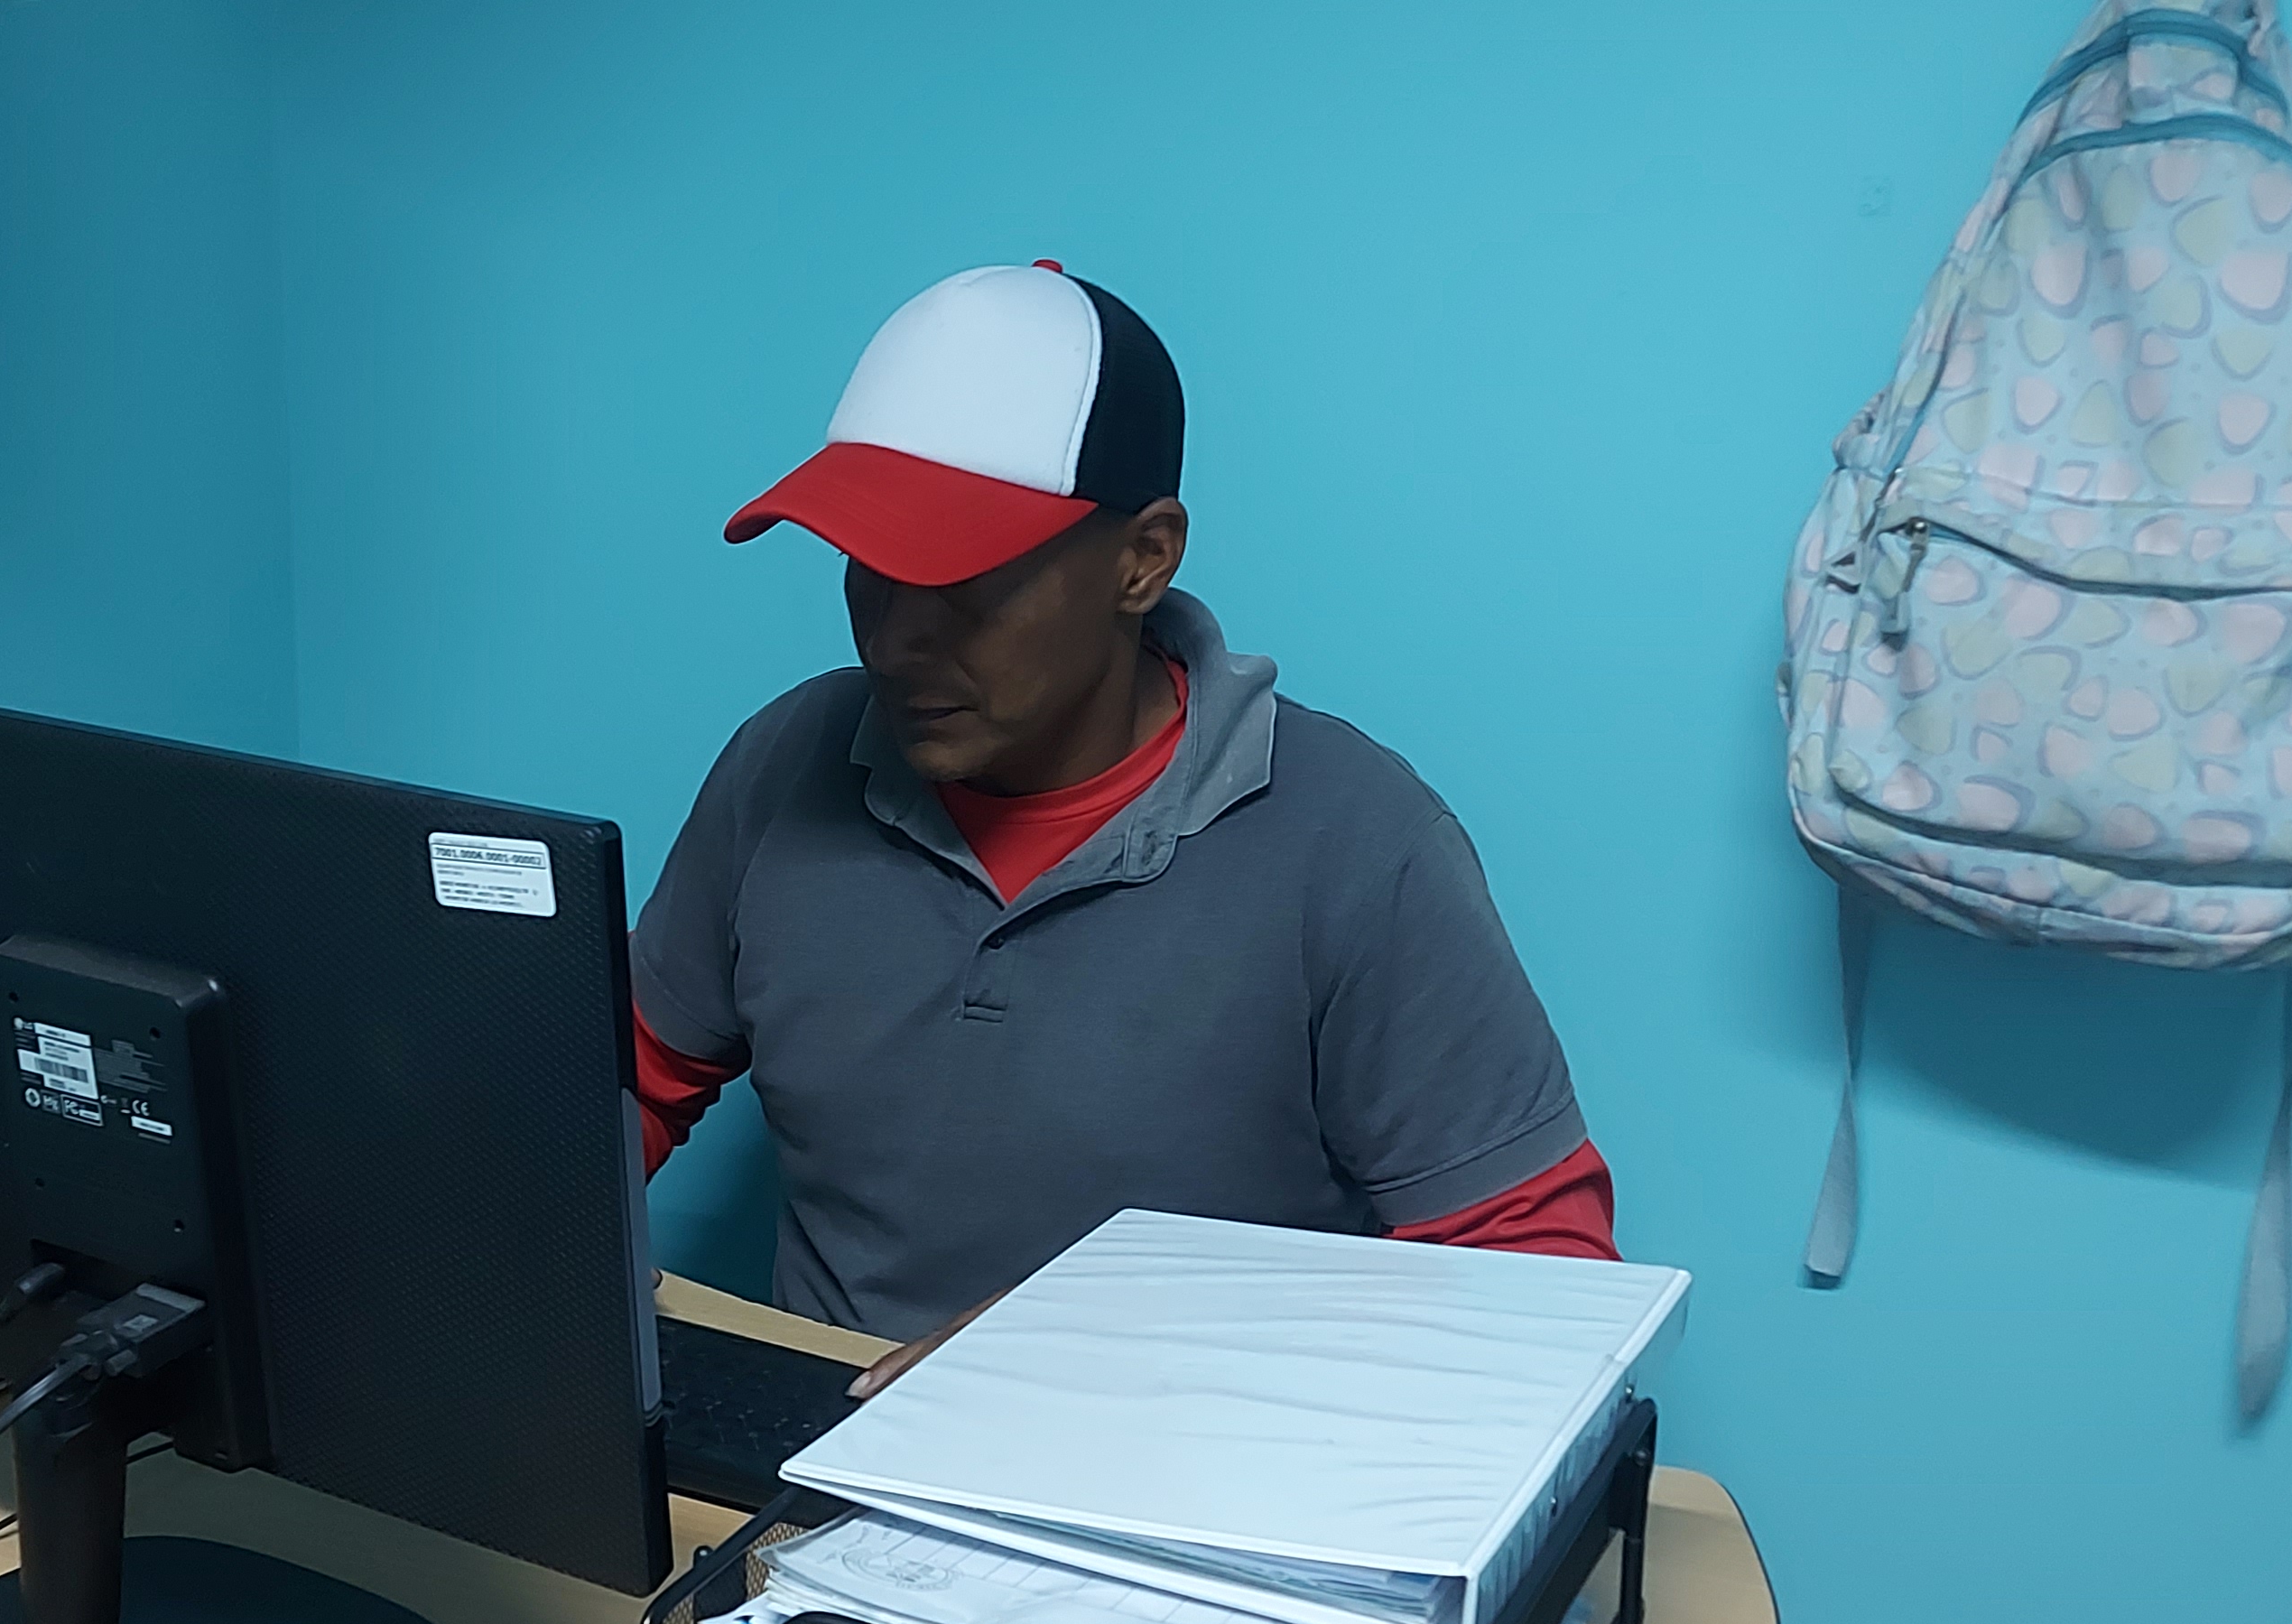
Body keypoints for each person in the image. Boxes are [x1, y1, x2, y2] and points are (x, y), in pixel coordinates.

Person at [632, 262, 1613, 1380]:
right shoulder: (785, 761)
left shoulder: (1357, 841)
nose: (896, 640)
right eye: (868, 567)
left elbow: (1545, 1287)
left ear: (1143, 558)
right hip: (816, 1434)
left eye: (963, 582)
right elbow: (617, 1084)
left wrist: (1123, 1333)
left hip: (1184, 1454)